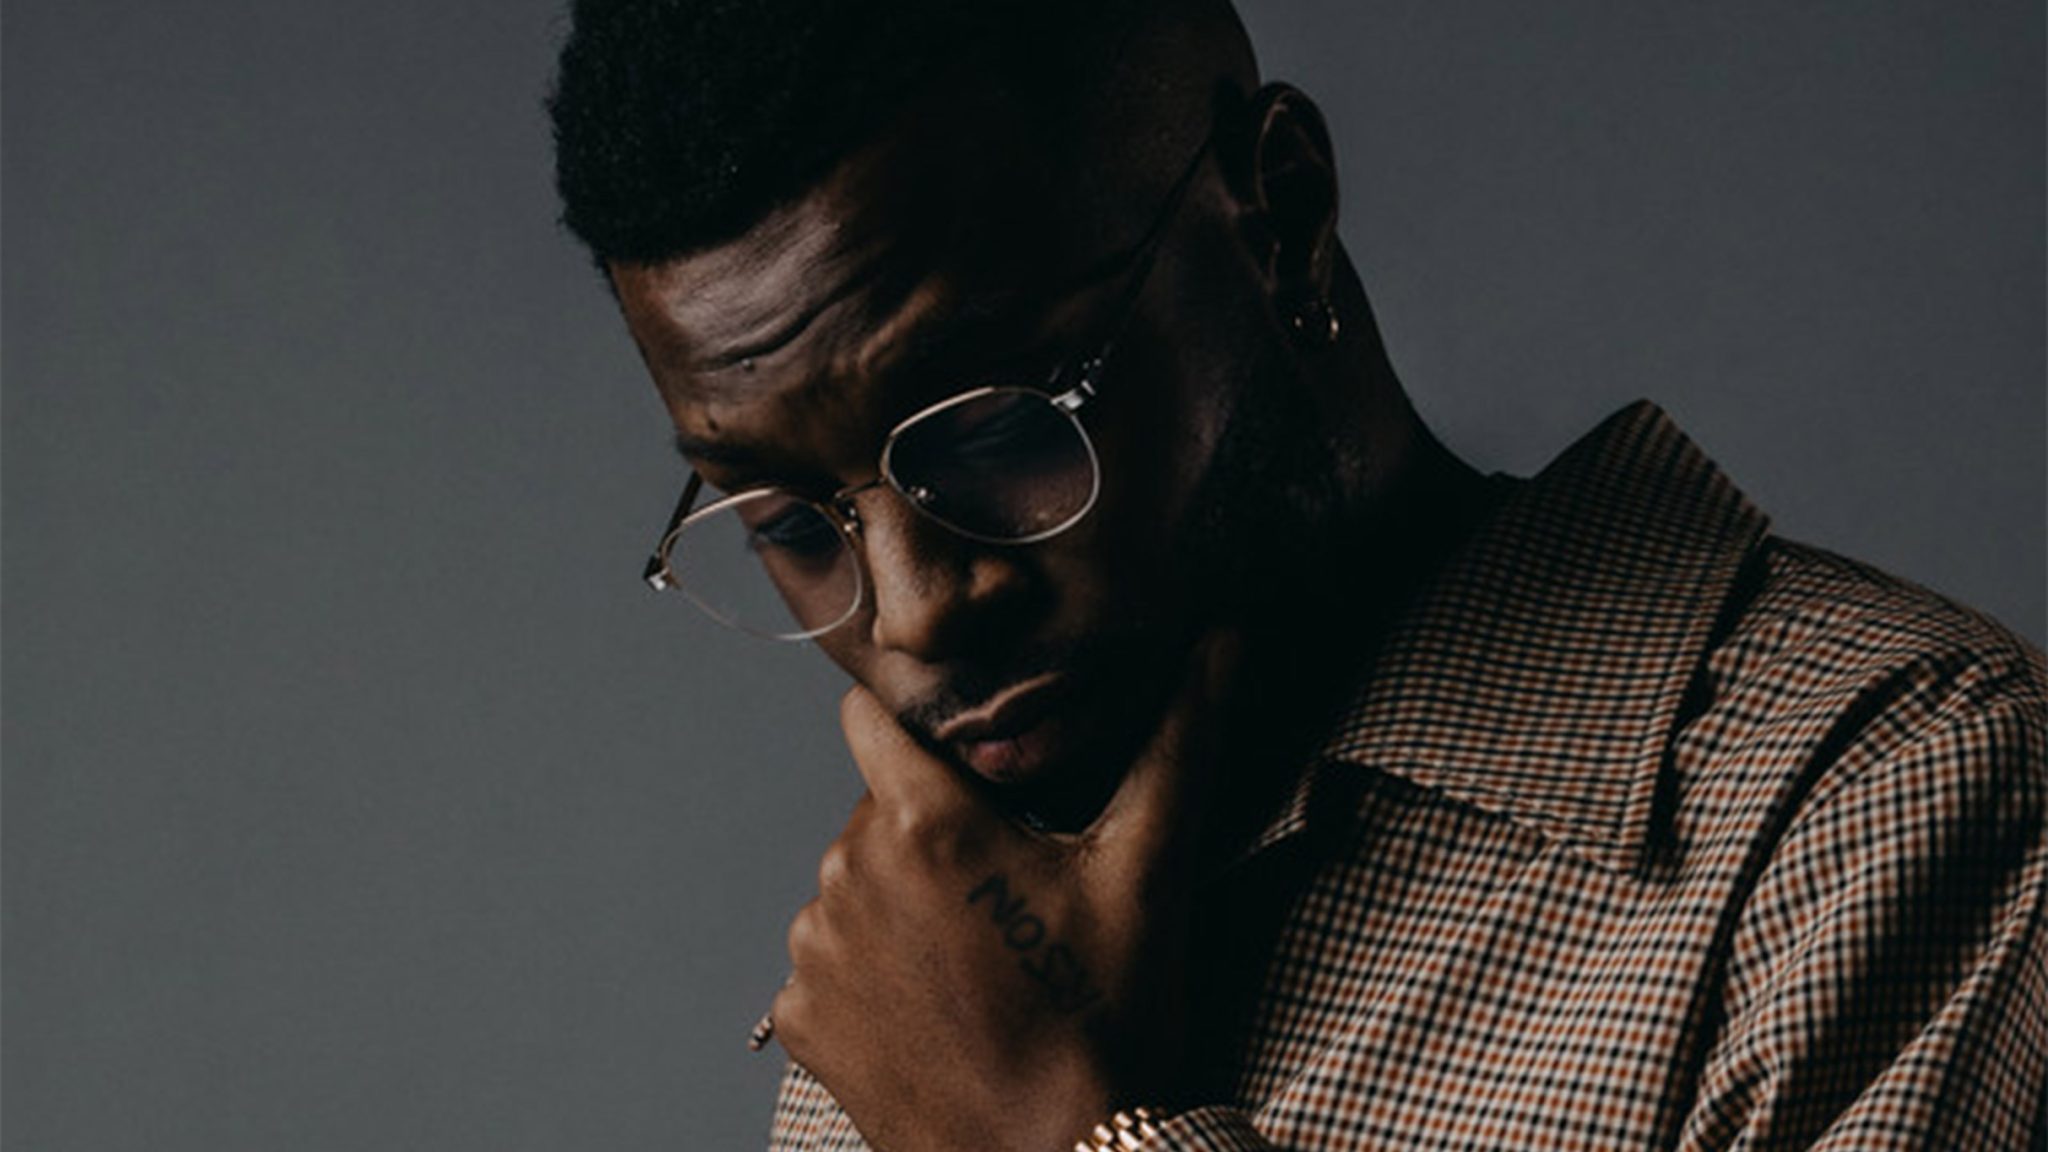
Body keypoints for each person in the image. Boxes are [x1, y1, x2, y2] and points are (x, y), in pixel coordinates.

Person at [548, 1, 2048, 1148]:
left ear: (1281, 218)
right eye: (788, 520)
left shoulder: (1890, 807)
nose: (920, 609)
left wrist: (1069, 1141)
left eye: (999, 429)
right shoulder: (928, 956)